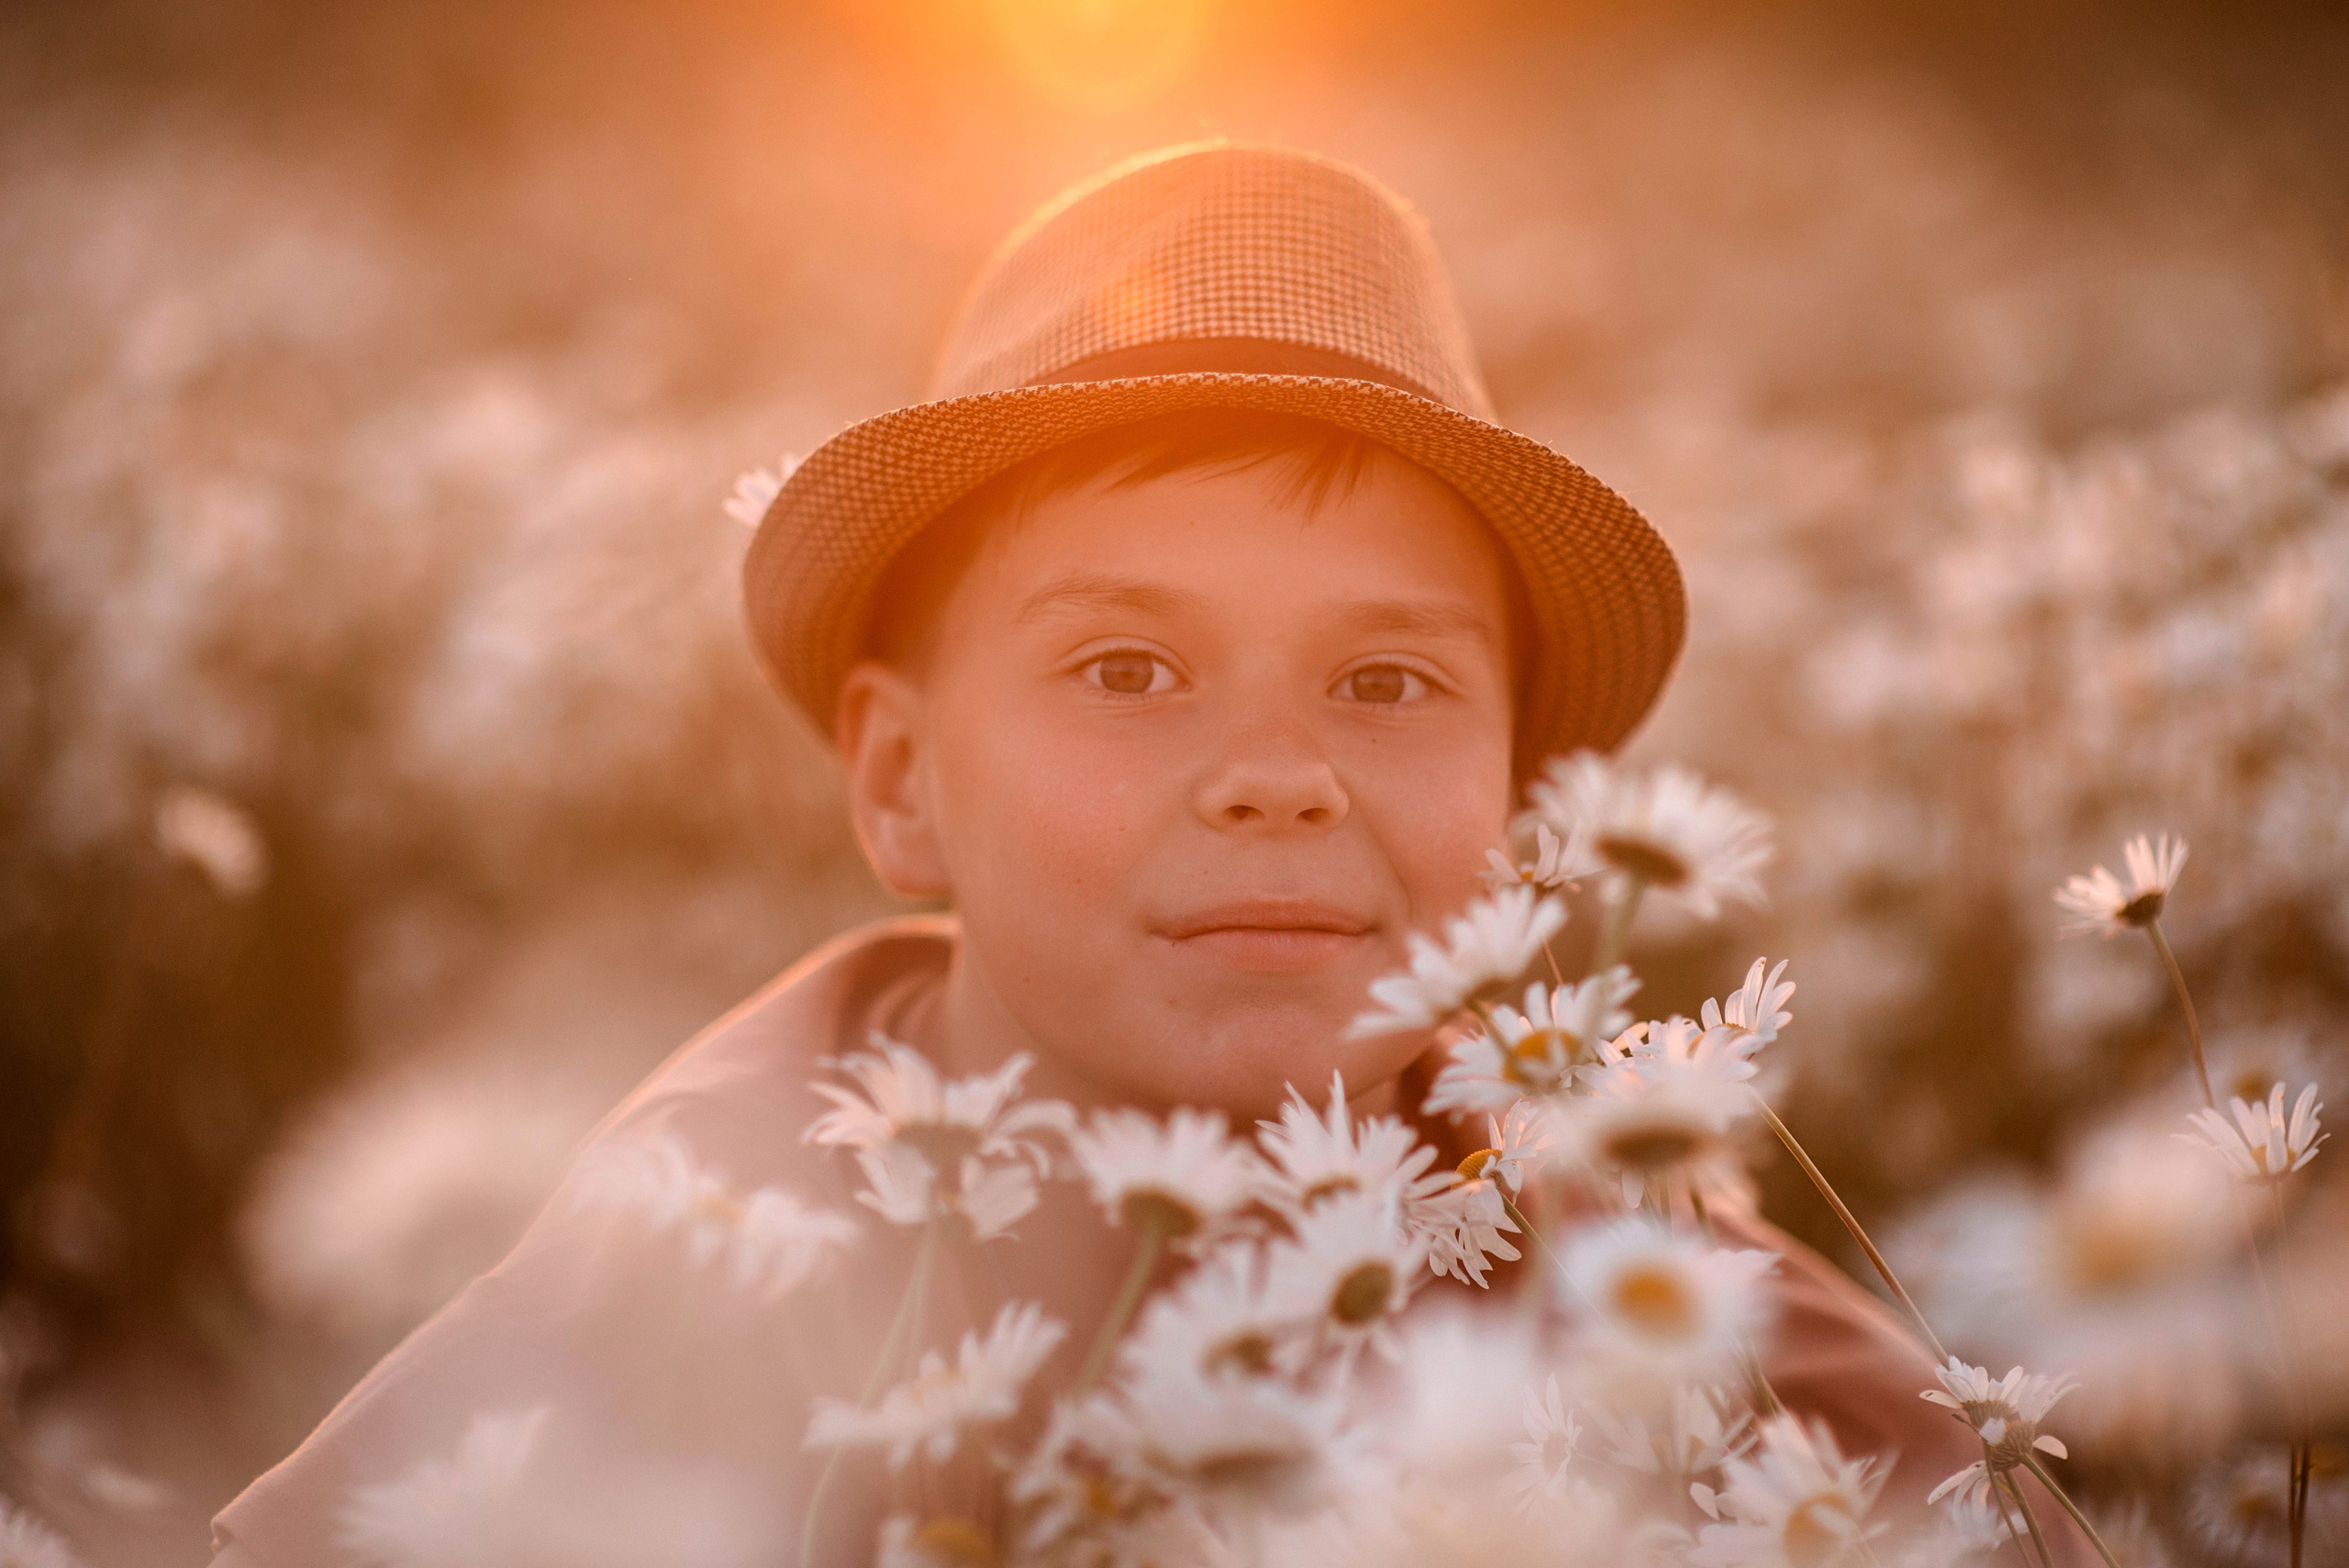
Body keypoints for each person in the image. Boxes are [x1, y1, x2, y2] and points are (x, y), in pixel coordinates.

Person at [211, 143, 2083, 1566]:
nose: (1276, 779)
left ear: (1521, 808)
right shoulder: (709, 1236)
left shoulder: (1668, 1293)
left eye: (1384, 680)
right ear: (898, 780)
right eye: (1126, 670)